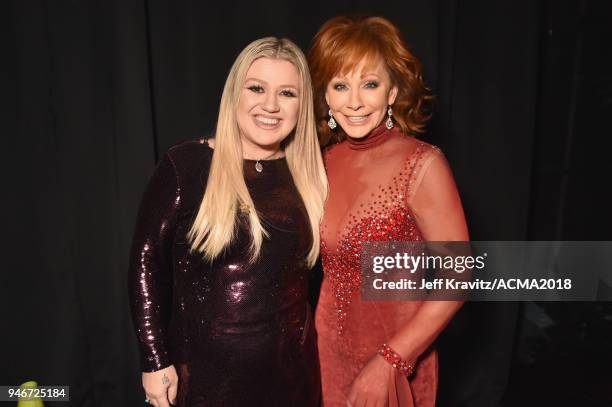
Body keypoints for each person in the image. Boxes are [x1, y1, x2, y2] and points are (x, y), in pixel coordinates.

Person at [128, 37, 328, 407]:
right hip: (204, 380)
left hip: (293, 378)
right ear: (234, 93)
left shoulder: (312, 175)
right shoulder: (186, 166)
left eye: (287, 93)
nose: (270, 105)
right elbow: (145, 263)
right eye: (256, 88)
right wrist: (154, 360)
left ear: (303, 106)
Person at [308, 16, 469, 406]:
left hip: (396, 358)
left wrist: (392, 360)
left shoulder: (423, 163)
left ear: (393, 92)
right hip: (326, 353)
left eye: (370, 84)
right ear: (326, 96)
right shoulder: (320, 163)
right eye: (341, 85)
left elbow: (459, 276)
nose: (355, 101)